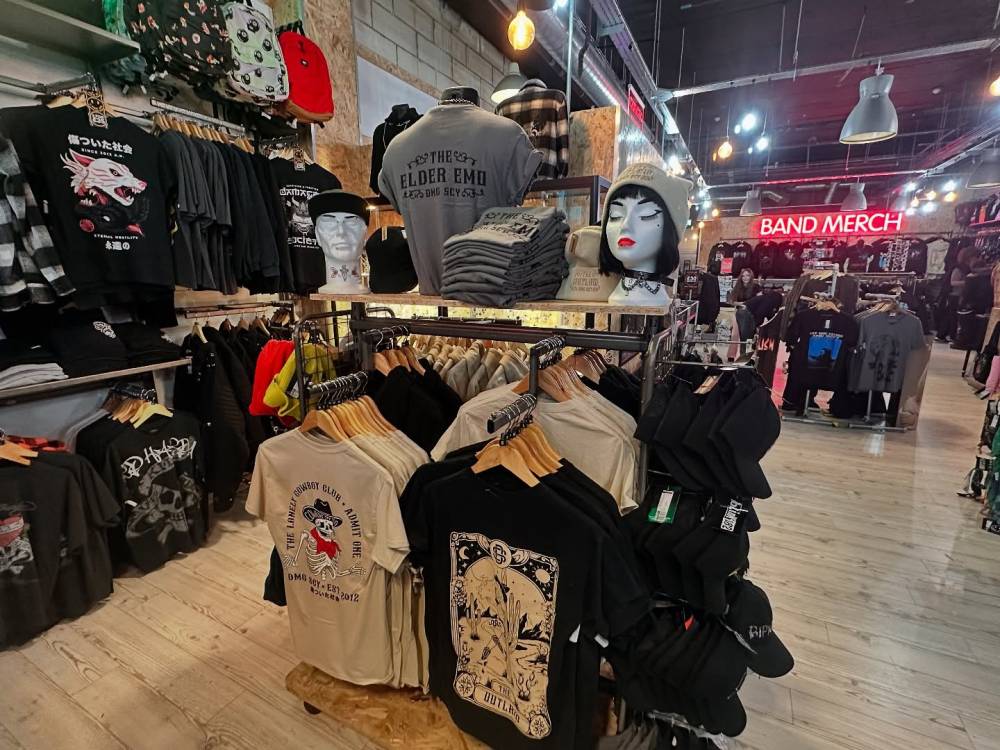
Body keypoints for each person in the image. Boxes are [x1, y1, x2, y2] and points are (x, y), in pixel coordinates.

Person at [938, 246, 976, 341]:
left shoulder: (967, 269)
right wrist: (968, 282)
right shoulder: (959, 269)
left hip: (959, 295)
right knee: (952, 317)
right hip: (955, 295)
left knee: (951, 316)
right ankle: (950, 336)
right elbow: (953, 282)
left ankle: (944, 335)